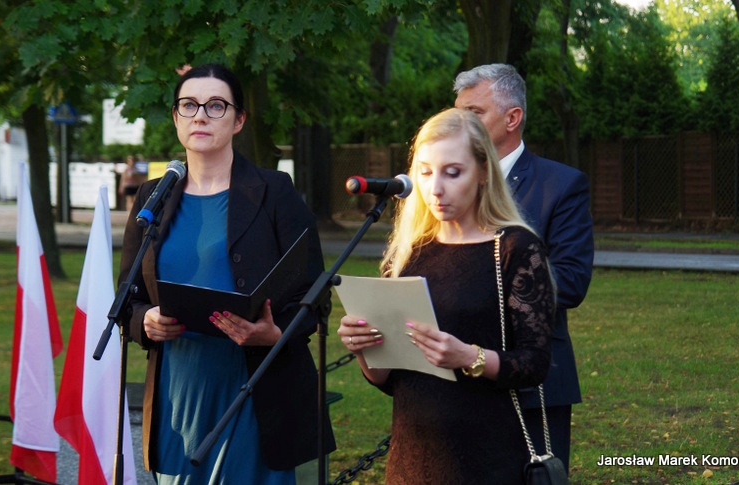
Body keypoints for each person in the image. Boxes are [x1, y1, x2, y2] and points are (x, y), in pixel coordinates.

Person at [119, 63, 335, 484]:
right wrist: (144, 320)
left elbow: (316, 291)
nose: (200, 115)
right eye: (189, 105)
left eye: (215, 105)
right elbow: (127, 297)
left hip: (257, 391)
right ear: (176, 117)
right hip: (178, 392)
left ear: (238, 120)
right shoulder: (152, 197)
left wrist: (277, 333)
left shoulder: (275, 191)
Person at [338, 108, 556, 484]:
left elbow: (535, 364)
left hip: (487, 458)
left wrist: (468, 357)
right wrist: (363, 348)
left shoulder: (514, 249)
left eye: (452, 173)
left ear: (484, 172)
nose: (435, 188)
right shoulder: (410, 251)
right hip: (411, 458)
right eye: (425, 172)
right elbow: (389, 380)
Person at [454, 63, 594, 474]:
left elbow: (570, 281)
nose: (461, 123)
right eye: (458, 113)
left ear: (512, 118)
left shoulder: (561, 185)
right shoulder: (444, 184)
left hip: (533, 382)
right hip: (451, 377)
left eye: (474, 113)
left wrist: (484, 282)